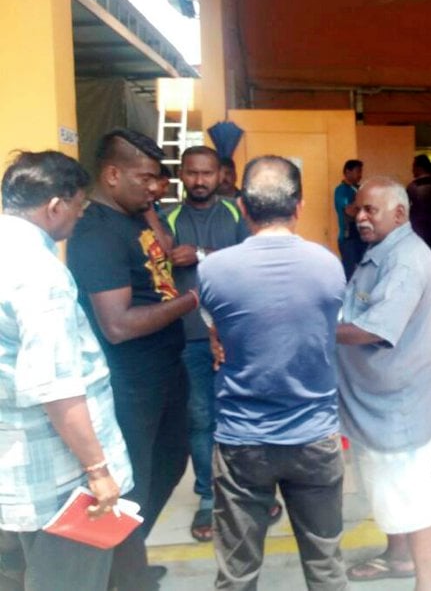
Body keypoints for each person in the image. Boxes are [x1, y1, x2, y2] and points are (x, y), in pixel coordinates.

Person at [199, 155, 348, 590]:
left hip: (242, 440)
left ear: (243, 207)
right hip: (315, 436)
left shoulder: (212, 271)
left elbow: (217, 334)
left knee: (237, 570)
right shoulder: (329, 265)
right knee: (325, 564)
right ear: (299, 206)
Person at [67, 128, 198, 590]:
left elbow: (160, 255)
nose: (156, 187)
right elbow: (117, 325)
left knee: (170, 461)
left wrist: (149, 208)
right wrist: (189, 302)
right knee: (131, 483)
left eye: (159, 180)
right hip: (129, 381)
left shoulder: (133, 215)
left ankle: (129, 556)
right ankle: (126, 577)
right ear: (112, 174)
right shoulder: (96, 233)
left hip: (164, 368)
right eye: (146, 179)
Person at [0, 151, 133, 591]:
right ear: (55, 206)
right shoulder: (41, 275)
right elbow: (55, 386)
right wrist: (97, 470)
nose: (79, 216)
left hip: (14, 472)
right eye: (78, 206)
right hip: (59, 481)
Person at [336, 177, 431, 590]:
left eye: (370, 211)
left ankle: (426, 583)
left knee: (410, 492)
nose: (360, 217)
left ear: (399, 214)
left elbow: (372, 329)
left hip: (396, 401)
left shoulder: (405, 262)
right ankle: (398, 558)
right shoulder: (381, 252)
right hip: (374, 397)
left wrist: (315, 327)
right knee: (387, 488)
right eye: (357, 209)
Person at [164, 146, 253, 543]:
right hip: (189, 337)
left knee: (245, 417)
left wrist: (200, 254)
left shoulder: (238, 214)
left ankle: (251, 491)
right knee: (201, 418)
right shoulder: (167, 219)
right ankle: (207, 497)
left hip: (238, 335)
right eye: (192, 173)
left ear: (221, 175)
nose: (199, 181)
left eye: (207, 173)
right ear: (181, 174)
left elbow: (252, 258)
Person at [334, 158, 365, 280]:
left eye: (361, 171)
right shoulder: (341, 190)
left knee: (363, 271)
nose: (360, 175)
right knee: (350, 274)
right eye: (358, 171)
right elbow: (350, 212)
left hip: (362, 237)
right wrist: (362, 206)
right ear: (348, 172)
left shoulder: (360, 188)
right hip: (348, 238)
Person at [406, 154, 431, 251]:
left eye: (413, 167)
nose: (412, 170)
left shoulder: (413, 187)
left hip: (417, 228)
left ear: (419, 168)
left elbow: (407, 207)